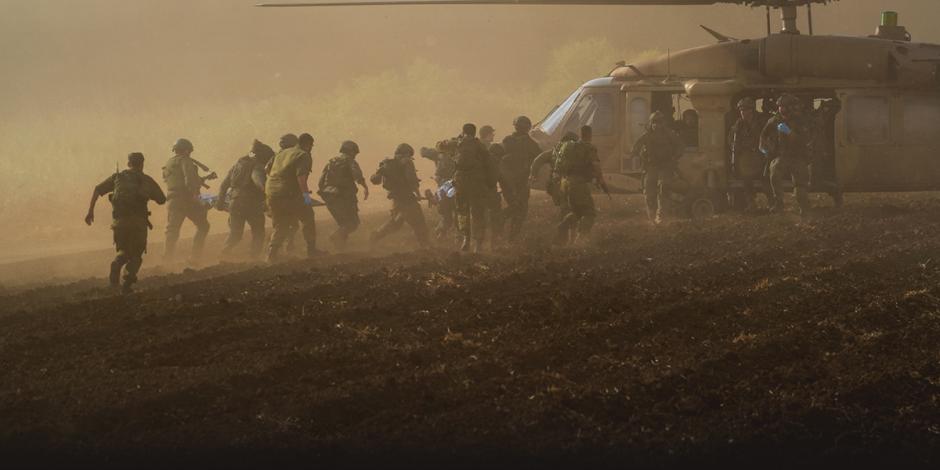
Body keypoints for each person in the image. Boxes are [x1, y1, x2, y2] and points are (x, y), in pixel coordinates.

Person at [85, 152, 166, 293]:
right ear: (142, 164)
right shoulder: (146, 180)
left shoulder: (118, 177)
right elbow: (162, 200)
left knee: (123, 251)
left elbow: (97, 190)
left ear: (129, 164)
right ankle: (127, 283)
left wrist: (90, 211)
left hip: (119, 222)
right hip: (138, 223)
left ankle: (116, 265)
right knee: (136, 255)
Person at [265, 133, 319, 261]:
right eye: (311, 146)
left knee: (281, 224)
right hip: (288, 194)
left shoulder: (280, 153)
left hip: (271, 193)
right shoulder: (303, 155)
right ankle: (311, 251)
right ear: (308, 145)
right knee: (308, 217)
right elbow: (301, 178)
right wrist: (306, 198)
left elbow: (267, 169)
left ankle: (271, 254)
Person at [217, 140, 275, 258]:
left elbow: (224, 185)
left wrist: (220, 201)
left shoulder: (237, 165)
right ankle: (254, 258)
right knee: (258, 233)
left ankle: (223, 254)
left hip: (235, 203)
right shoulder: (257, 167)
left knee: (235, 234)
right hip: (251, 204)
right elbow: (261, 185)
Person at [760, 93, 813, 216]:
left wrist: (790, 133)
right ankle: (778, 203)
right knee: (774, 173)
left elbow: (805, 140)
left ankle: (804, 208)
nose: (781, 109)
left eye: (784, 106)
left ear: (791, 107)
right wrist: (764, 149)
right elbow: (763, 136)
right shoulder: (774, 120)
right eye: (779, 106)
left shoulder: (800, 121)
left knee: (800, 187)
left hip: (798, 156)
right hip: (781, 156)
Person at [368, 143, 430, 247]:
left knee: (396, 222)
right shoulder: (407, 162)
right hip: (406, 197)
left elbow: (375, 179)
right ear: (407, 153)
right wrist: (417, 193)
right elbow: (411, 179)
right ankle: (425, 245)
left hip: (395, 197)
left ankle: (376, 235)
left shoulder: (388, 163)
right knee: (419, 222)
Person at [555, 126, 606, 245]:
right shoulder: (588, 147)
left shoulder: (568, 146)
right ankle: (581, 238)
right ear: (589, 135)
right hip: (579, 183)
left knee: (576, 211)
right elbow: (596, 165)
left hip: (565, 183)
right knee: (590, 213)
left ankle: (563, 225)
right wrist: (600, 180)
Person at [162, 138, 211, 262]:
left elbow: (175, 181)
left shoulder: (169, 163)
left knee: (172, 230)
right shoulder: (186, 161)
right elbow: (189, 181)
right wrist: (197, 197)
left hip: (173, 199)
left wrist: (203, 179)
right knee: (203, 226)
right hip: (187, 199)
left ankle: (167, 259)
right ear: (187, 150)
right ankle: (195, 258)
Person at [632, 112, 684, 225]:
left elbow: (680, 147)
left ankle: (661, 216)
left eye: (659, 122)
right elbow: (636, 148)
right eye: (654, 122)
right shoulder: (647, 136)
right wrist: (637, 157)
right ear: (651, 123)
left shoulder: (670, 135)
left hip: (665, 166)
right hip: (651, 167)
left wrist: (674, 158)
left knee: (663, 188)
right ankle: (651, 215)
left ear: (663, 123)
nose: (657, 125)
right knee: (649, 191)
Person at [318, 140, 369, 249]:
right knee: (353, 223)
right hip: (344, 197)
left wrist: (325, 194)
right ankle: (335, 237)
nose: (355, 155)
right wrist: (365, 187)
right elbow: (357, 175)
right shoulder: (350, 161)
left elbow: (320, 182)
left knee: (344, 224)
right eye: (354, 152)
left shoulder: (330, 162)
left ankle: (340, 246)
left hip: (330, 197)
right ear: (351, 152)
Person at [453, 123, 495, 252]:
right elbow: (489, 164)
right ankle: (478, 243)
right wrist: (490, 183)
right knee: (477, 213)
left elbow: (439, 146)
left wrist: (458, 137)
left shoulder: (457, 143)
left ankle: (466, 238)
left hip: (460, 182)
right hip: (477, 183)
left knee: (462, 212)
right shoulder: (479, 145)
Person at [499, 116, 542, 241]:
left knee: (515, 206)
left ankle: (502, 225)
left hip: (507, 181)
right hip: (522, 182)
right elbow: (540, 158)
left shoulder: (507, 140)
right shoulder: (531, 144)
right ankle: (509, 233)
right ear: (528, 128)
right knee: (520, 209)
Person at [729, 97, 771, 212]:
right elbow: (732, 140)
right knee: (745, 176)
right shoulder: (739, 124)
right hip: (747, 157)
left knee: (765, 177)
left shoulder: (762, 122)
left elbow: (768, 138)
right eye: (741, 110)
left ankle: (773, 203)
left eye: (746, 110)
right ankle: (751, 203)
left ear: (752, 110)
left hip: (761, 155)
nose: (743, 113)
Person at [530, 131, 579, 223]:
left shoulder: (553, 152)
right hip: (572, 183)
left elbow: (537, 161)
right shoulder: (576, 152)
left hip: (557, 184)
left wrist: (533, 174)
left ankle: (563, 228)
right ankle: (565, 229)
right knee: (571, 208)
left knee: (565, 207)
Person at [810, 97, 844, 207]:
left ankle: (836, 194)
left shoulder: (829, 118)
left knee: (818, 179)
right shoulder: (822, 118)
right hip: (818, 151)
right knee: (816, 178)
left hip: (821, 151)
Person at [422, 141, 457, 241]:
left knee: (446, 216)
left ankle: (441, 234)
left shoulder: (440, 157)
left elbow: (423, 151)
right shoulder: (450, 159)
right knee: (454, 215)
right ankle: (448, 235)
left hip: (444, 188)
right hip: (450, 188)